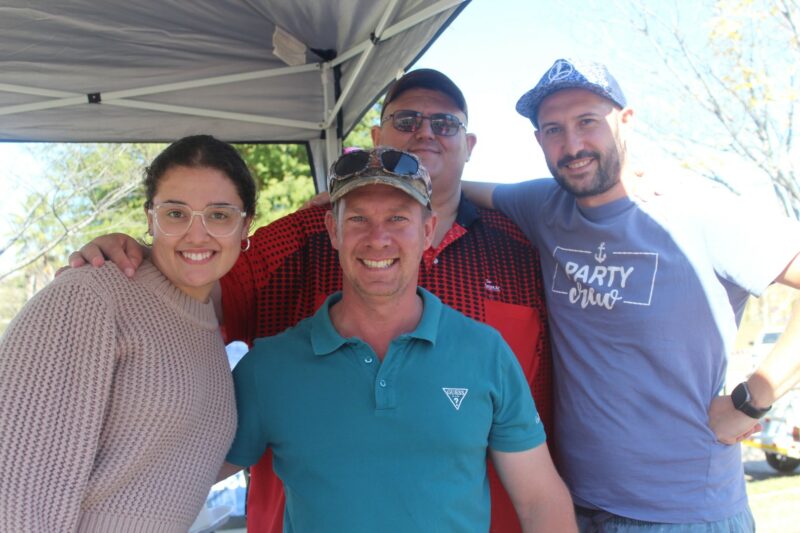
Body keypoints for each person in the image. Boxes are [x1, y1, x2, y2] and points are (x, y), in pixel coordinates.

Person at [69, 69, 553, 533]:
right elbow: (199, 279)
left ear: (468, 145)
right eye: (406, 121)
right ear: (376, 136)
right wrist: (139, 260)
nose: (425, 133)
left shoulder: (525, 251)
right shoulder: (301, 239)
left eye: (445, 123)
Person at [462, 58, 800, 532]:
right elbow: (452, 188)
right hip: (577, 508)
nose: (573, 145)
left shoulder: (696, 210)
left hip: (685, 515)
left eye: (587, 122)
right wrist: (364, 191)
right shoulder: (544, 205)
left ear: (626, 121)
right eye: (553, 130)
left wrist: (753, 398)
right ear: (539, 141)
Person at [217, 147, 577, 532]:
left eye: (397, 218)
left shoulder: (486, 353)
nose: (378, 238)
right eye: (358, 219)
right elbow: (176, 477)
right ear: (333, 231)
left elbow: (540, 500)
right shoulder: (271, 367)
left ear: (426, 231)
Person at [0, 135, 256, 532]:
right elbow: (15, 490)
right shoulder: (90, 296)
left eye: (219, 215)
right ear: (150, 218)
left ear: (246, 225)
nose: (197, 234)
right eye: (176, 213)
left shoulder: (206, 322)